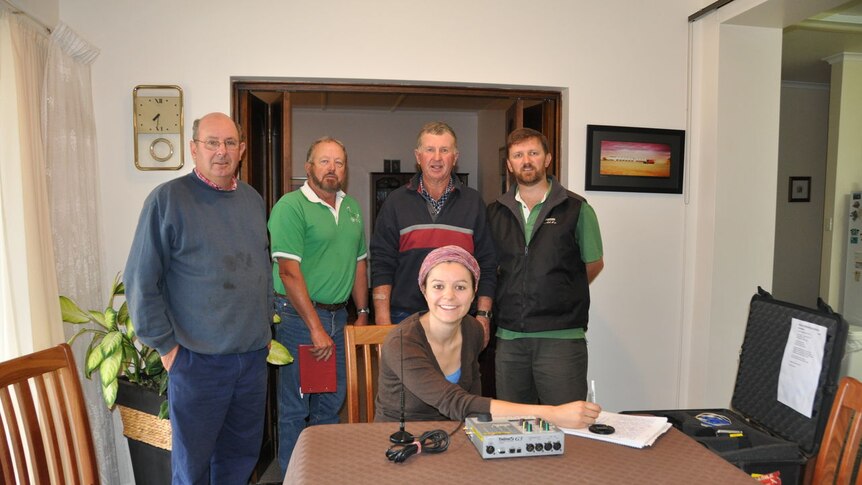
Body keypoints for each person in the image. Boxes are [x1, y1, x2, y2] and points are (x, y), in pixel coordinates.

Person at [124, 112, 272, 484]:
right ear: (194, 149)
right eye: (212, 143)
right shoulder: (167, 200)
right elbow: (141, 281)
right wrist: (167, 348)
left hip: (251, 360)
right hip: (197, 363)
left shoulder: (253, 200)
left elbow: (260, 271)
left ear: (241, 149)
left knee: (239, 462)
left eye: (229, 143)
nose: (221, 152)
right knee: (193, 469)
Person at [374, 245, 600, 428]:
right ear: (424, 290)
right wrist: (552, 413)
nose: (449, 296)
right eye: (438, 286)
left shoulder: (472, 330)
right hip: (401, 444)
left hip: (453, 440)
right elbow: (456, 402)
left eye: (461, 287)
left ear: (474, 293)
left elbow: (473, 400)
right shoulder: (402, 342)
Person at [268, 136, 369, 473]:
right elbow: (288, 272)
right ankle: (293, 478)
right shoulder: (290, 207)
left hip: (338, 318)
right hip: (298, 317)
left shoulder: (352, 207)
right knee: (297, 405)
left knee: (330, 403)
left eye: (339, 162)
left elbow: (359, 263)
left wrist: (364, 313)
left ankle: (322, 476)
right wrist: (314, 328)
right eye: (324, 161)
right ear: (308, 167)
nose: (332, 168)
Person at [487, 128, 605, 406]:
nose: (526, 160)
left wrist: (557, 290)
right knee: (515, 428)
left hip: (561, 339)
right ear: (509, 164)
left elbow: (594, 263)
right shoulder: (494, 212)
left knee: (568, 426)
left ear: (547, 158)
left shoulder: (576, 208)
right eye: (518, 155)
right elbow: (489, 268)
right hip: (509, 338)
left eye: (533, 153)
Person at [370, 121, 496, 346]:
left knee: (457, 382)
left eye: (444, 150)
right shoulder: (395, 203)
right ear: (418, 156)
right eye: (430, 150)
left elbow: (487, 263)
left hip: (459, 317)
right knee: (405, 381)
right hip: (404, 318)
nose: (437, 157)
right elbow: (382, 263)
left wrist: (483, 316)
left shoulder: (474, 203)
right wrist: (382, 320)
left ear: (455, 157)